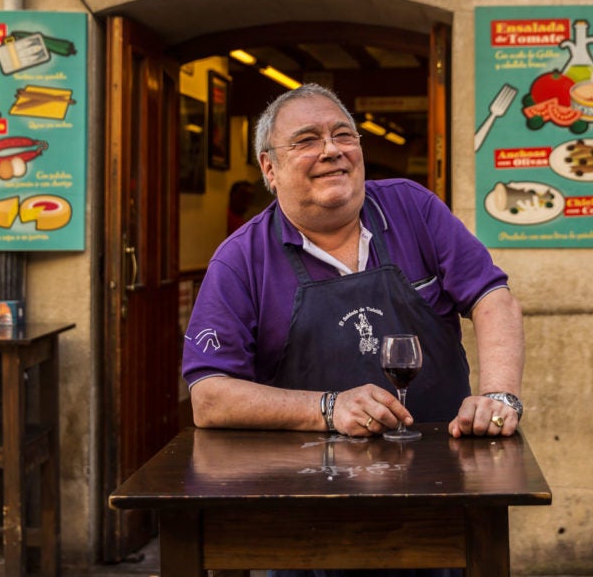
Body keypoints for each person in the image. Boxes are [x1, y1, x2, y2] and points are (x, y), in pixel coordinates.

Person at [183, 83, 526, 443]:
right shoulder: (240, 260)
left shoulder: (414, 209)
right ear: (270, 168)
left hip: (442, 460)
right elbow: (209, 398)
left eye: (343, 135)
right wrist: (328, 408)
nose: (331, 150)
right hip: (303, 480)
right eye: (307, 141)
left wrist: (498, 396)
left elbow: (493, 297)